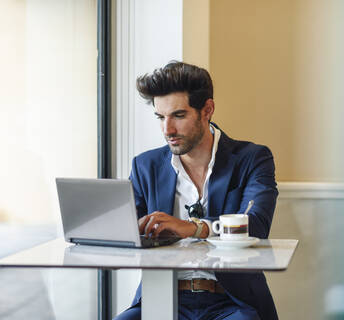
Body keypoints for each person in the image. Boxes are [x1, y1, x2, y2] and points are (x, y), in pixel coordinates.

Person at [114, 61, 278, 320]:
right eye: (161, 117)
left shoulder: (252, 159)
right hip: (162, 297)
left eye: (178, 116)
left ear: (207, 110)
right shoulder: (146, 166)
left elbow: (255, 226)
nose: (167, 130)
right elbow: (123, 232)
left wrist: (192, 227)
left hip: (231, 302)